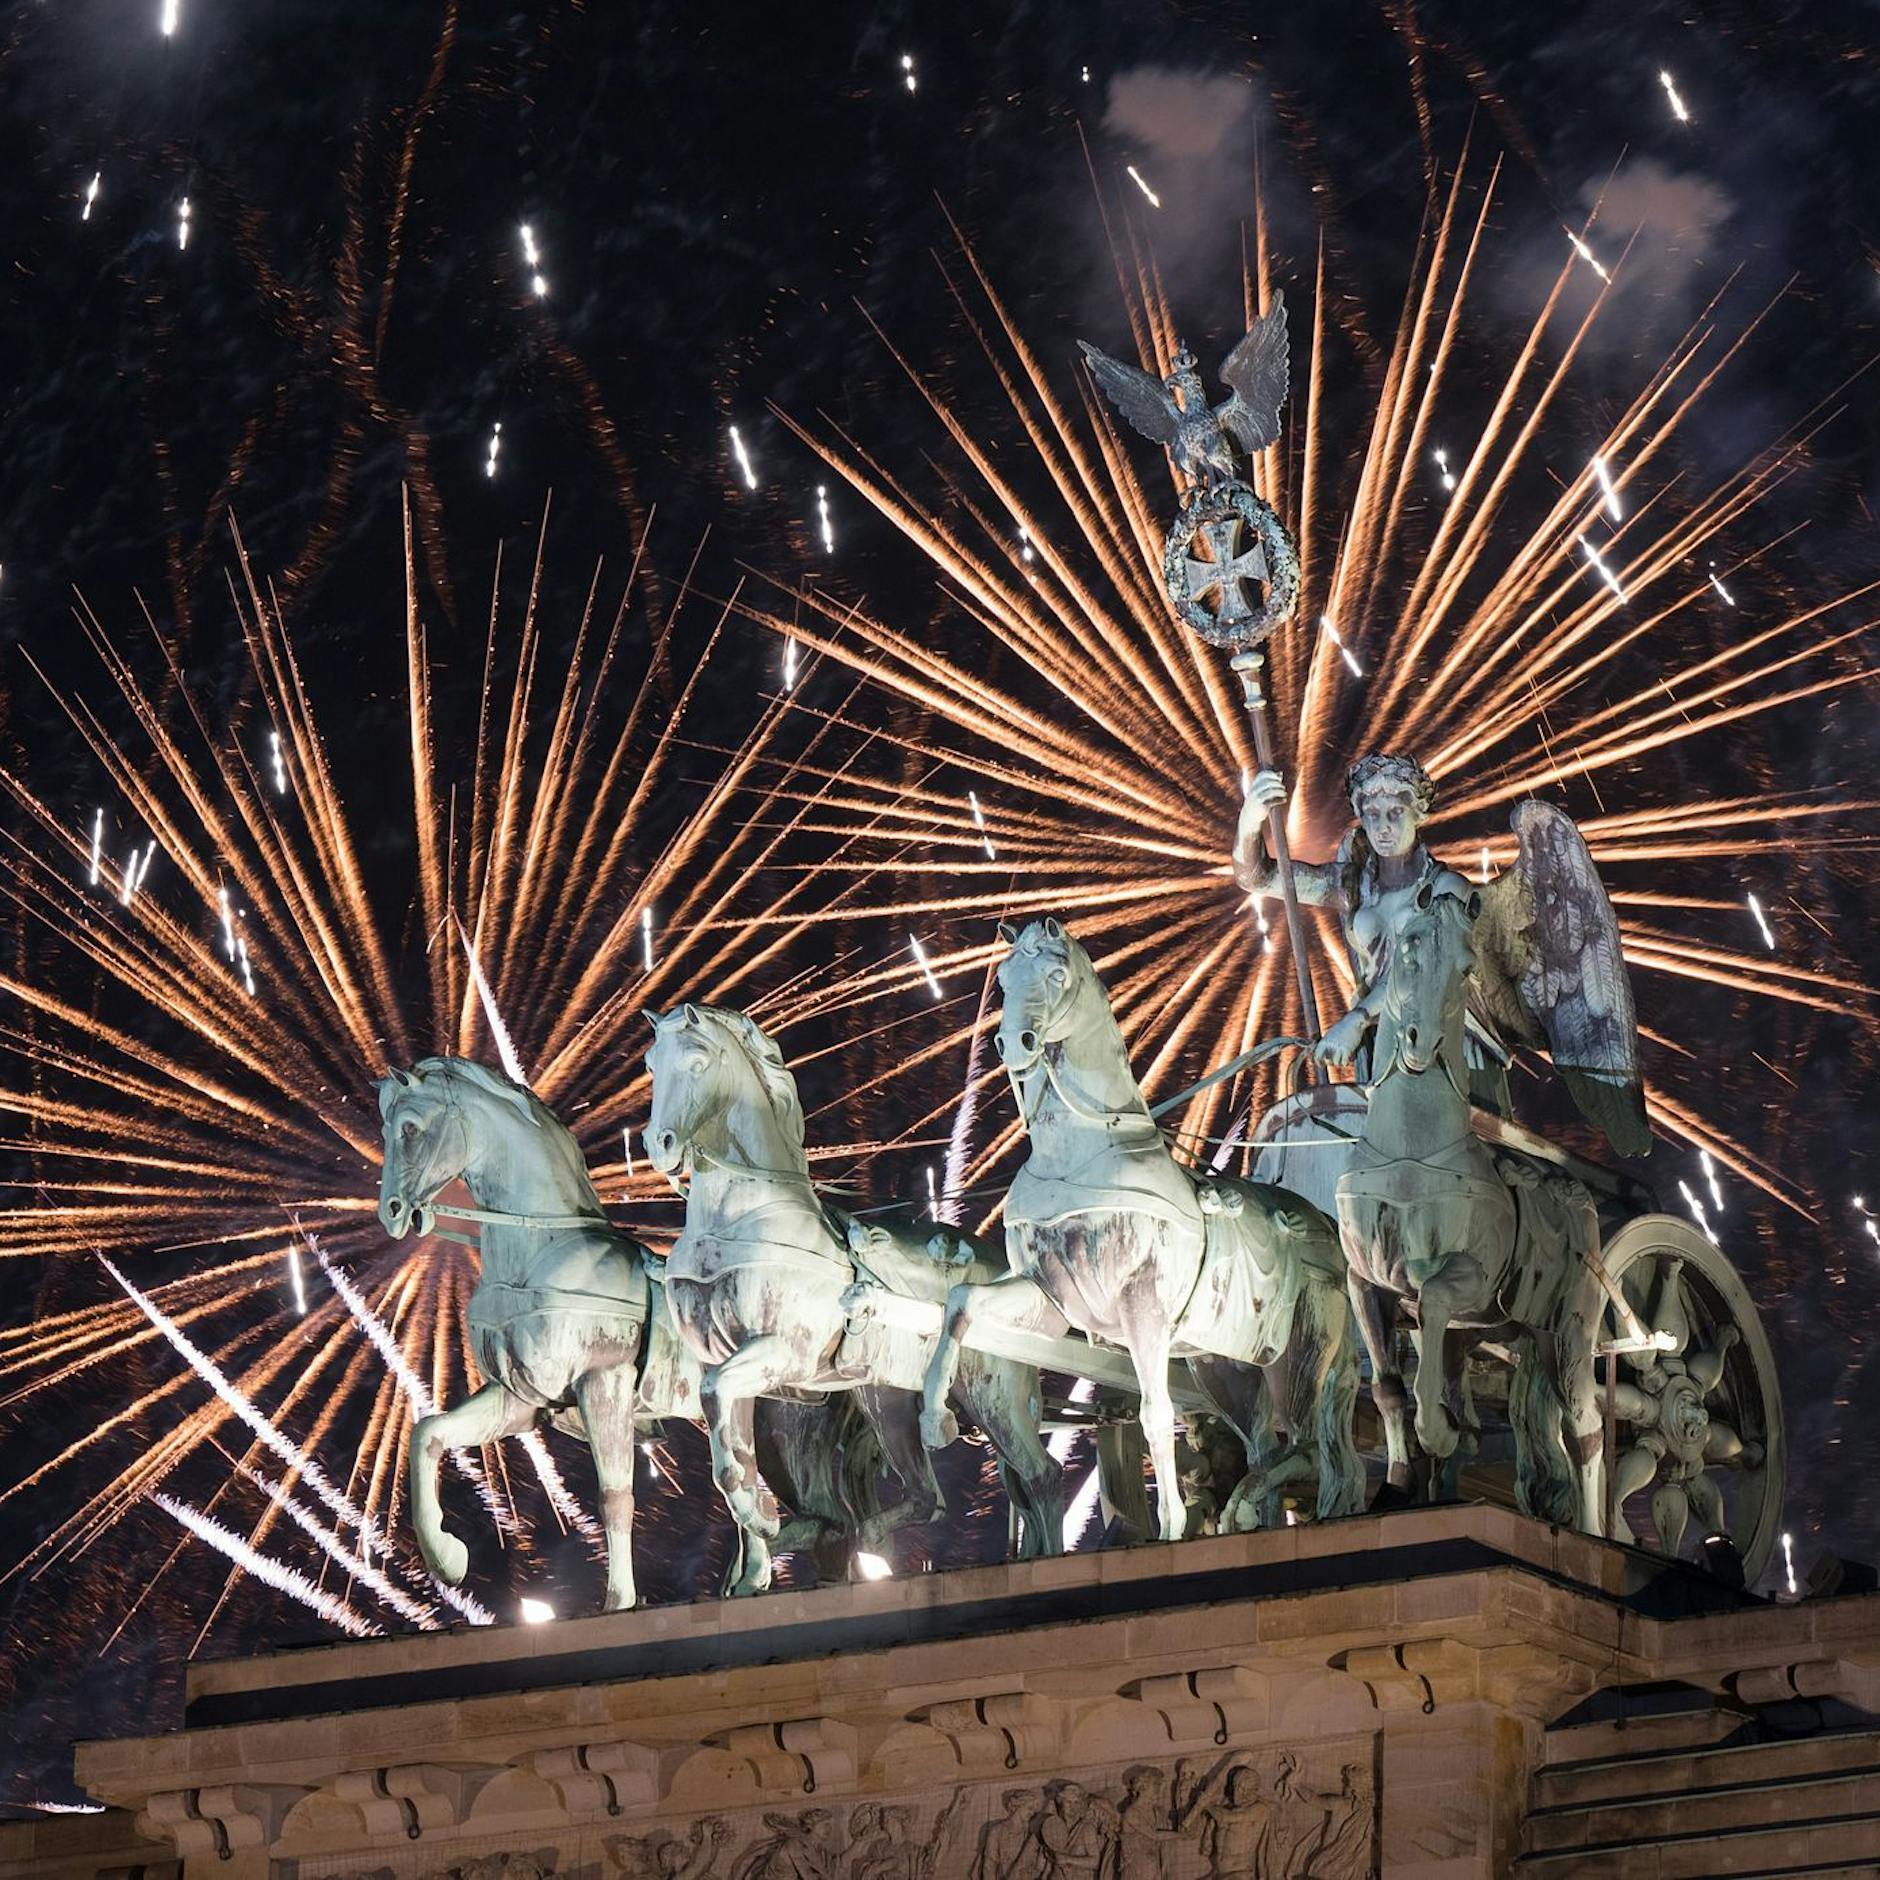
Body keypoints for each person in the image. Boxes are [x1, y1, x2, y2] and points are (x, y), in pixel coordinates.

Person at [1235, 754, 1496, 1096]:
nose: (1382, 827)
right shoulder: (1353, 887)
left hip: (1444, 1042)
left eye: (1394, 813)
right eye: (1371, 815)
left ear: (1419, 814)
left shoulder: (1447, 891)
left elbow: (1423, 975)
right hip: (1380, 1041)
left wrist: (1356, 1019)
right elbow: (1260, 878)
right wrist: (1251, 818)